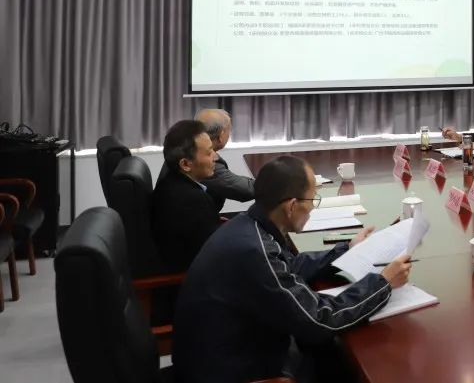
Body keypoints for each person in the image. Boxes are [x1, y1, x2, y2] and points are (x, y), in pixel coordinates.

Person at [172, 155, 413, 383]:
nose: (313, 208)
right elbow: (319, 320)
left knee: (330, 351)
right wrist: (383, 283)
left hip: (225, 350)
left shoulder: (249, 226)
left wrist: (346, 249)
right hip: (231, 370)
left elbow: (289, 266)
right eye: (312, 200)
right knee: (344, 360)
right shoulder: (255, 251)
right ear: (291, 206)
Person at [152, 120, 222, 271]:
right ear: (185, 164)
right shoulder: (194, 201)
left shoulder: (168, 180)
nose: (215, 157)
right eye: (209, 152)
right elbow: (216, 254)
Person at [195, 108, 255, 205]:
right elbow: (246, 190)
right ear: (221, 136)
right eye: (229, 131)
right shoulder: (204, 161)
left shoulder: (187, 146)